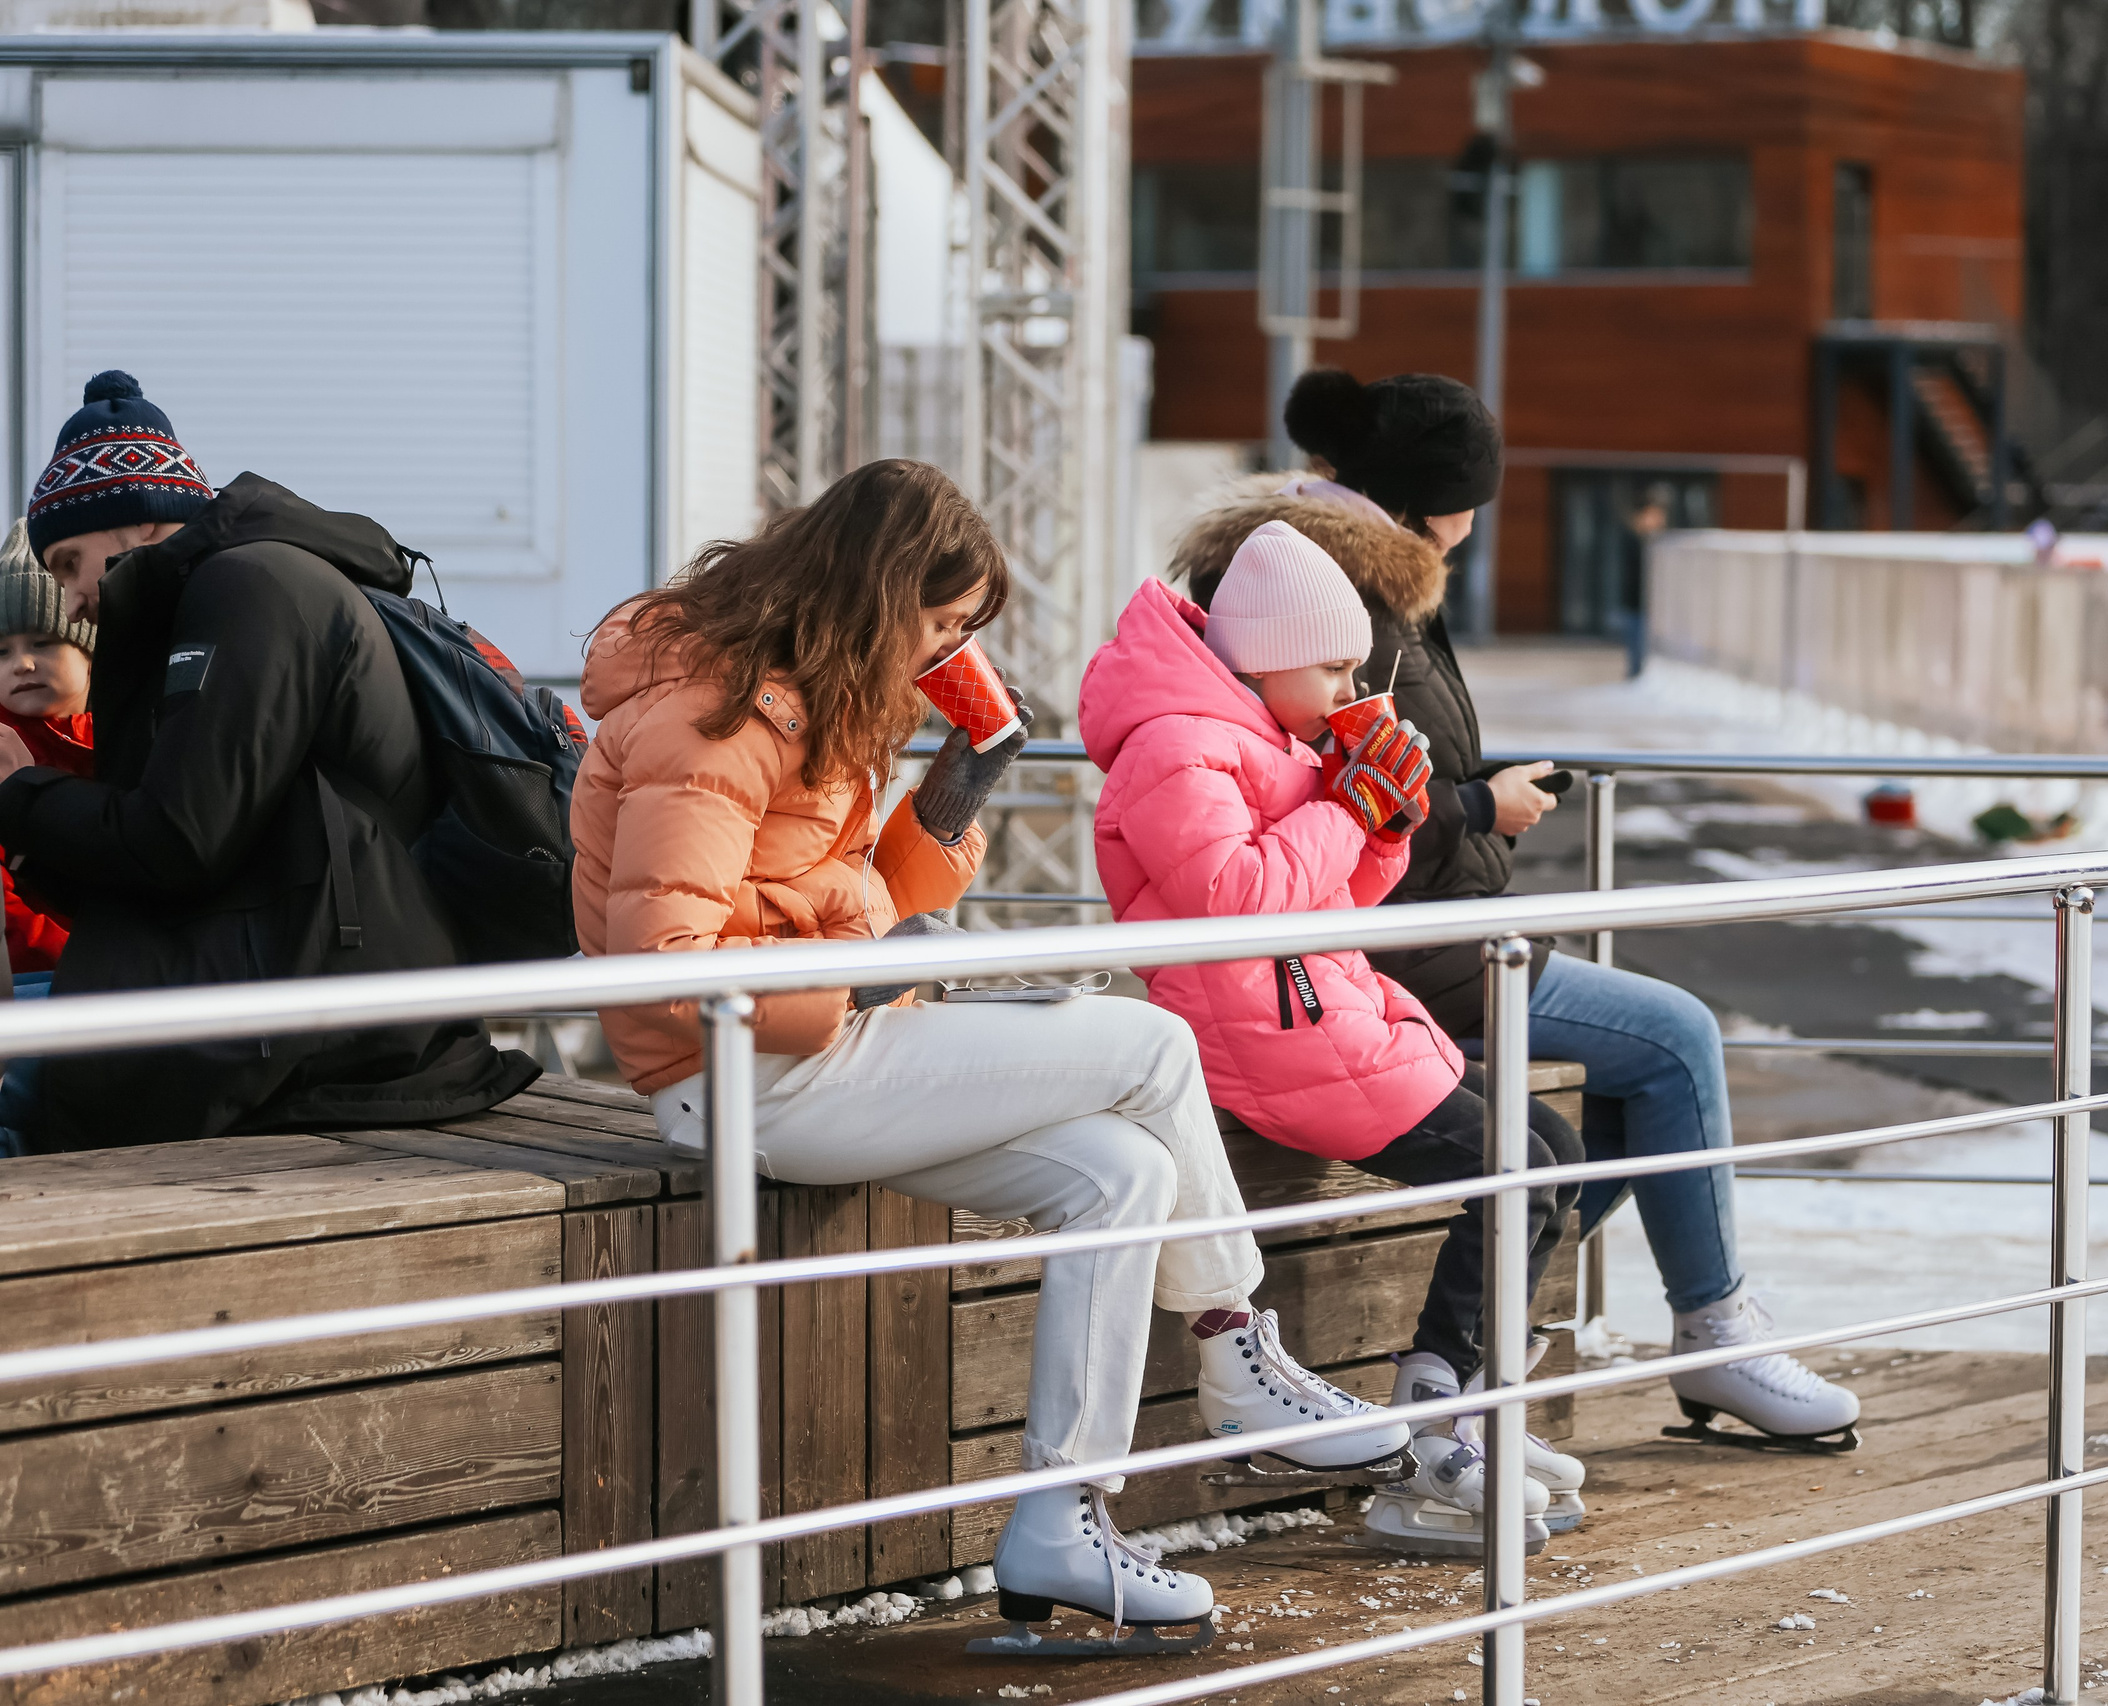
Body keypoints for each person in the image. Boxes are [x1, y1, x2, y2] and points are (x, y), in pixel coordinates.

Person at [572, 460, 1407, 1641]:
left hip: (813, 1048)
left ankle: (1061, 1519)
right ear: (879, 595)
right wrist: (867, 965)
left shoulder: (801, 696)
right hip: (738, 1076)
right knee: (1154, 1041)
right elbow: (666, 959)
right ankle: (1236, 1353)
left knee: (1124, 1173)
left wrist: (954, 796)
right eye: (944, 623)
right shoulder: (713, 716)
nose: (948, 650)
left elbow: (849, 899)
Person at [1170, 367, 1862, 1452]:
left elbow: (1364, 788)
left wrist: (1467, 799)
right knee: (1676, 1044)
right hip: (1406, 952)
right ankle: (1710, 1329)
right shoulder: (1345, 603)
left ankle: (1508, 1332)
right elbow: (1343, 803)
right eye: (1468, 503)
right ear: (1427, 501)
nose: (1474, 526)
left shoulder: (1346, 583)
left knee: (1612, 1112)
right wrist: (1481, 806)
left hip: (1410, 936)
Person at [1080, 519, 1584, 1555]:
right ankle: (1440, 1419)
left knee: (1553, 1150)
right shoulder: (1175, 745)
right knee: (1517, 1170)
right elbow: (1238, 901)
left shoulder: (1265, 738)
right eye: (1337, 667)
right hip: (1263, 1036)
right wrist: (1349, 807)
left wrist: (1384, 820)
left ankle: (1464, 1401)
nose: (1354, 686)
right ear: (1268, 657)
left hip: (1317, 1010)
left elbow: (1336, 900)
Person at [0, 372, 537, 1151]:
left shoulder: (251, 590)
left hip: (334, 1027)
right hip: (293, 994)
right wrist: (29, 837)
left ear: (141, 521)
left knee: (21, 1101)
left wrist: (21, 793)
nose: (69, 598)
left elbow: (179, 841)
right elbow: (175, 870)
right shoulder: (209, 603)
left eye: (67, 563)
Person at [0, 518, 93, 985]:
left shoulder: (139, 738)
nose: (22, 664)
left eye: (43, 643)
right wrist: (85, 964)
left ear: (89, 651)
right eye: (0, 652)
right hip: (31, 983)